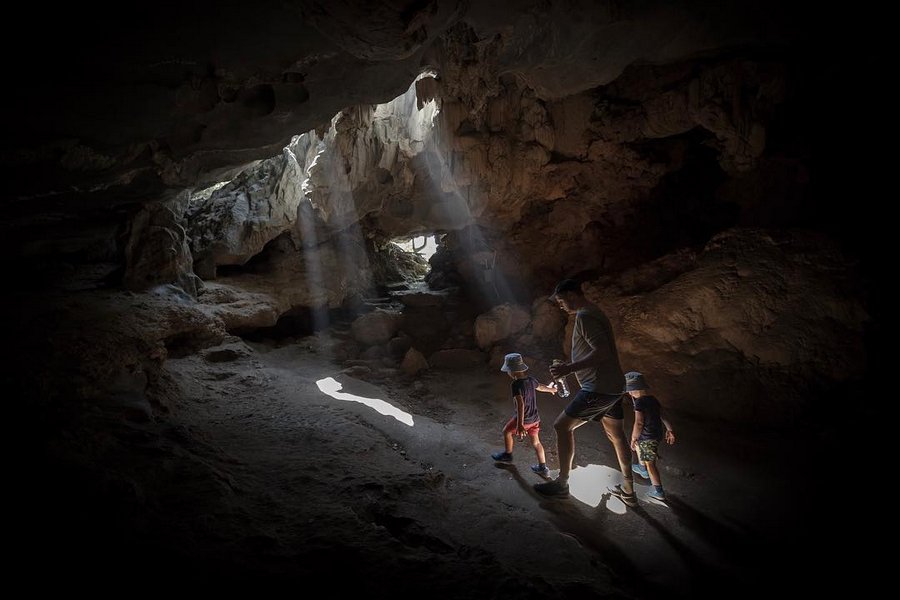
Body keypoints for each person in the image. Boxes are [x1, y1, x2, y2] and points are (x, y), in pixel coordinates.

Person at [534, 279, 636, 506]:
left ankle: (561, 483)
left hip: (598, 388)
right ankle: (629, 489)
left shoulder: (585, 316)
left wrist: (568, 369)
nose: (560, 306)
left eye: (561, 300)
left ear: (571, 295)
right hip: (613, 387)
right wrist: (571, 364)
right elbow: (594, 351)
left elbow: (602, 353)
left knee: (562, 426)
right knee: (616, 436)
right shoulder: (594, 312)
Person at [491, 353, 557, 476]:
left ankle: (508, 455)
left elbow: (520, 404)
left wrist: (520, 425)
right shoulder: (531, 380)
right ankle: (543, 468)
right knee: (536, 443)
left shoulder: (516, 385)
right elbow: (541, 387)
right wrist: (551, 390)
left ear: (512, 372)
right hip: (535, 419)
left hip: (524, 420)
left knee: (507, 431)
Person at [624, 371, 676, 502]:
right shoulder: (653, 399)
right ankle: (642, 468)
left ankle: (658, 491)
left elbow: (639, 422)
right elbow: (663, 415)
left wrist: (633, 437)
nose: (629, 393)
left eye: (629, 391)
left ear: (632, 390)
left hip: (647, 437)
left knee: (650, 463)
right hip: (656, 434)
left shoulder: (639, 403)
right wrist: (670, 429)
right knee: (642, 449)